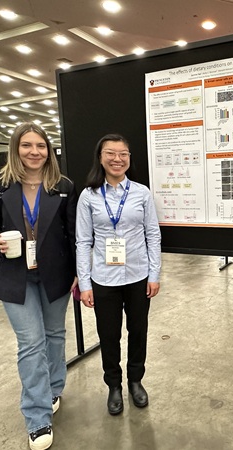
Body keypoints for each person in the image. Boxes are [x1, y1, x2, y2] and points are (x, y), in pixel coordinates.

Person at [0, 122, 77, 450]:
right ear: (15, 148)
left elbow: (74, 233)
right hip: (15, 276)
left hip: (55, 275)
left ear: (49, 151)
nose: (34, 152)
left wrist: (79, 272)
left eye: (40, 146)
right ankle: (37, 418)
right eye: (26, 145)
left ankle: (53, 390)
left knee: (55, 335)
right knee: (31, 343)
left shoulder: (62, 186)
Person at [76, 133, 161, 416]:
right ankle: (114, 385)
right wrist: (85, 284)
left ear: (129, 158)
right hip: (104, 280)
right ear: (100, 157)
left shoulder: (141, 192)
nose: (117, 159)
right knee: (109, 335)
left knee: (138, 332)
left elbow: (153, 234)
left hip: (138, 276)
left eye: (123, 153)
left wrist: (154, 274)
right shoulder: (88, 196)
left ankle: (135, 380)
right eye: (111, 153)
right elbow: (82, 241)